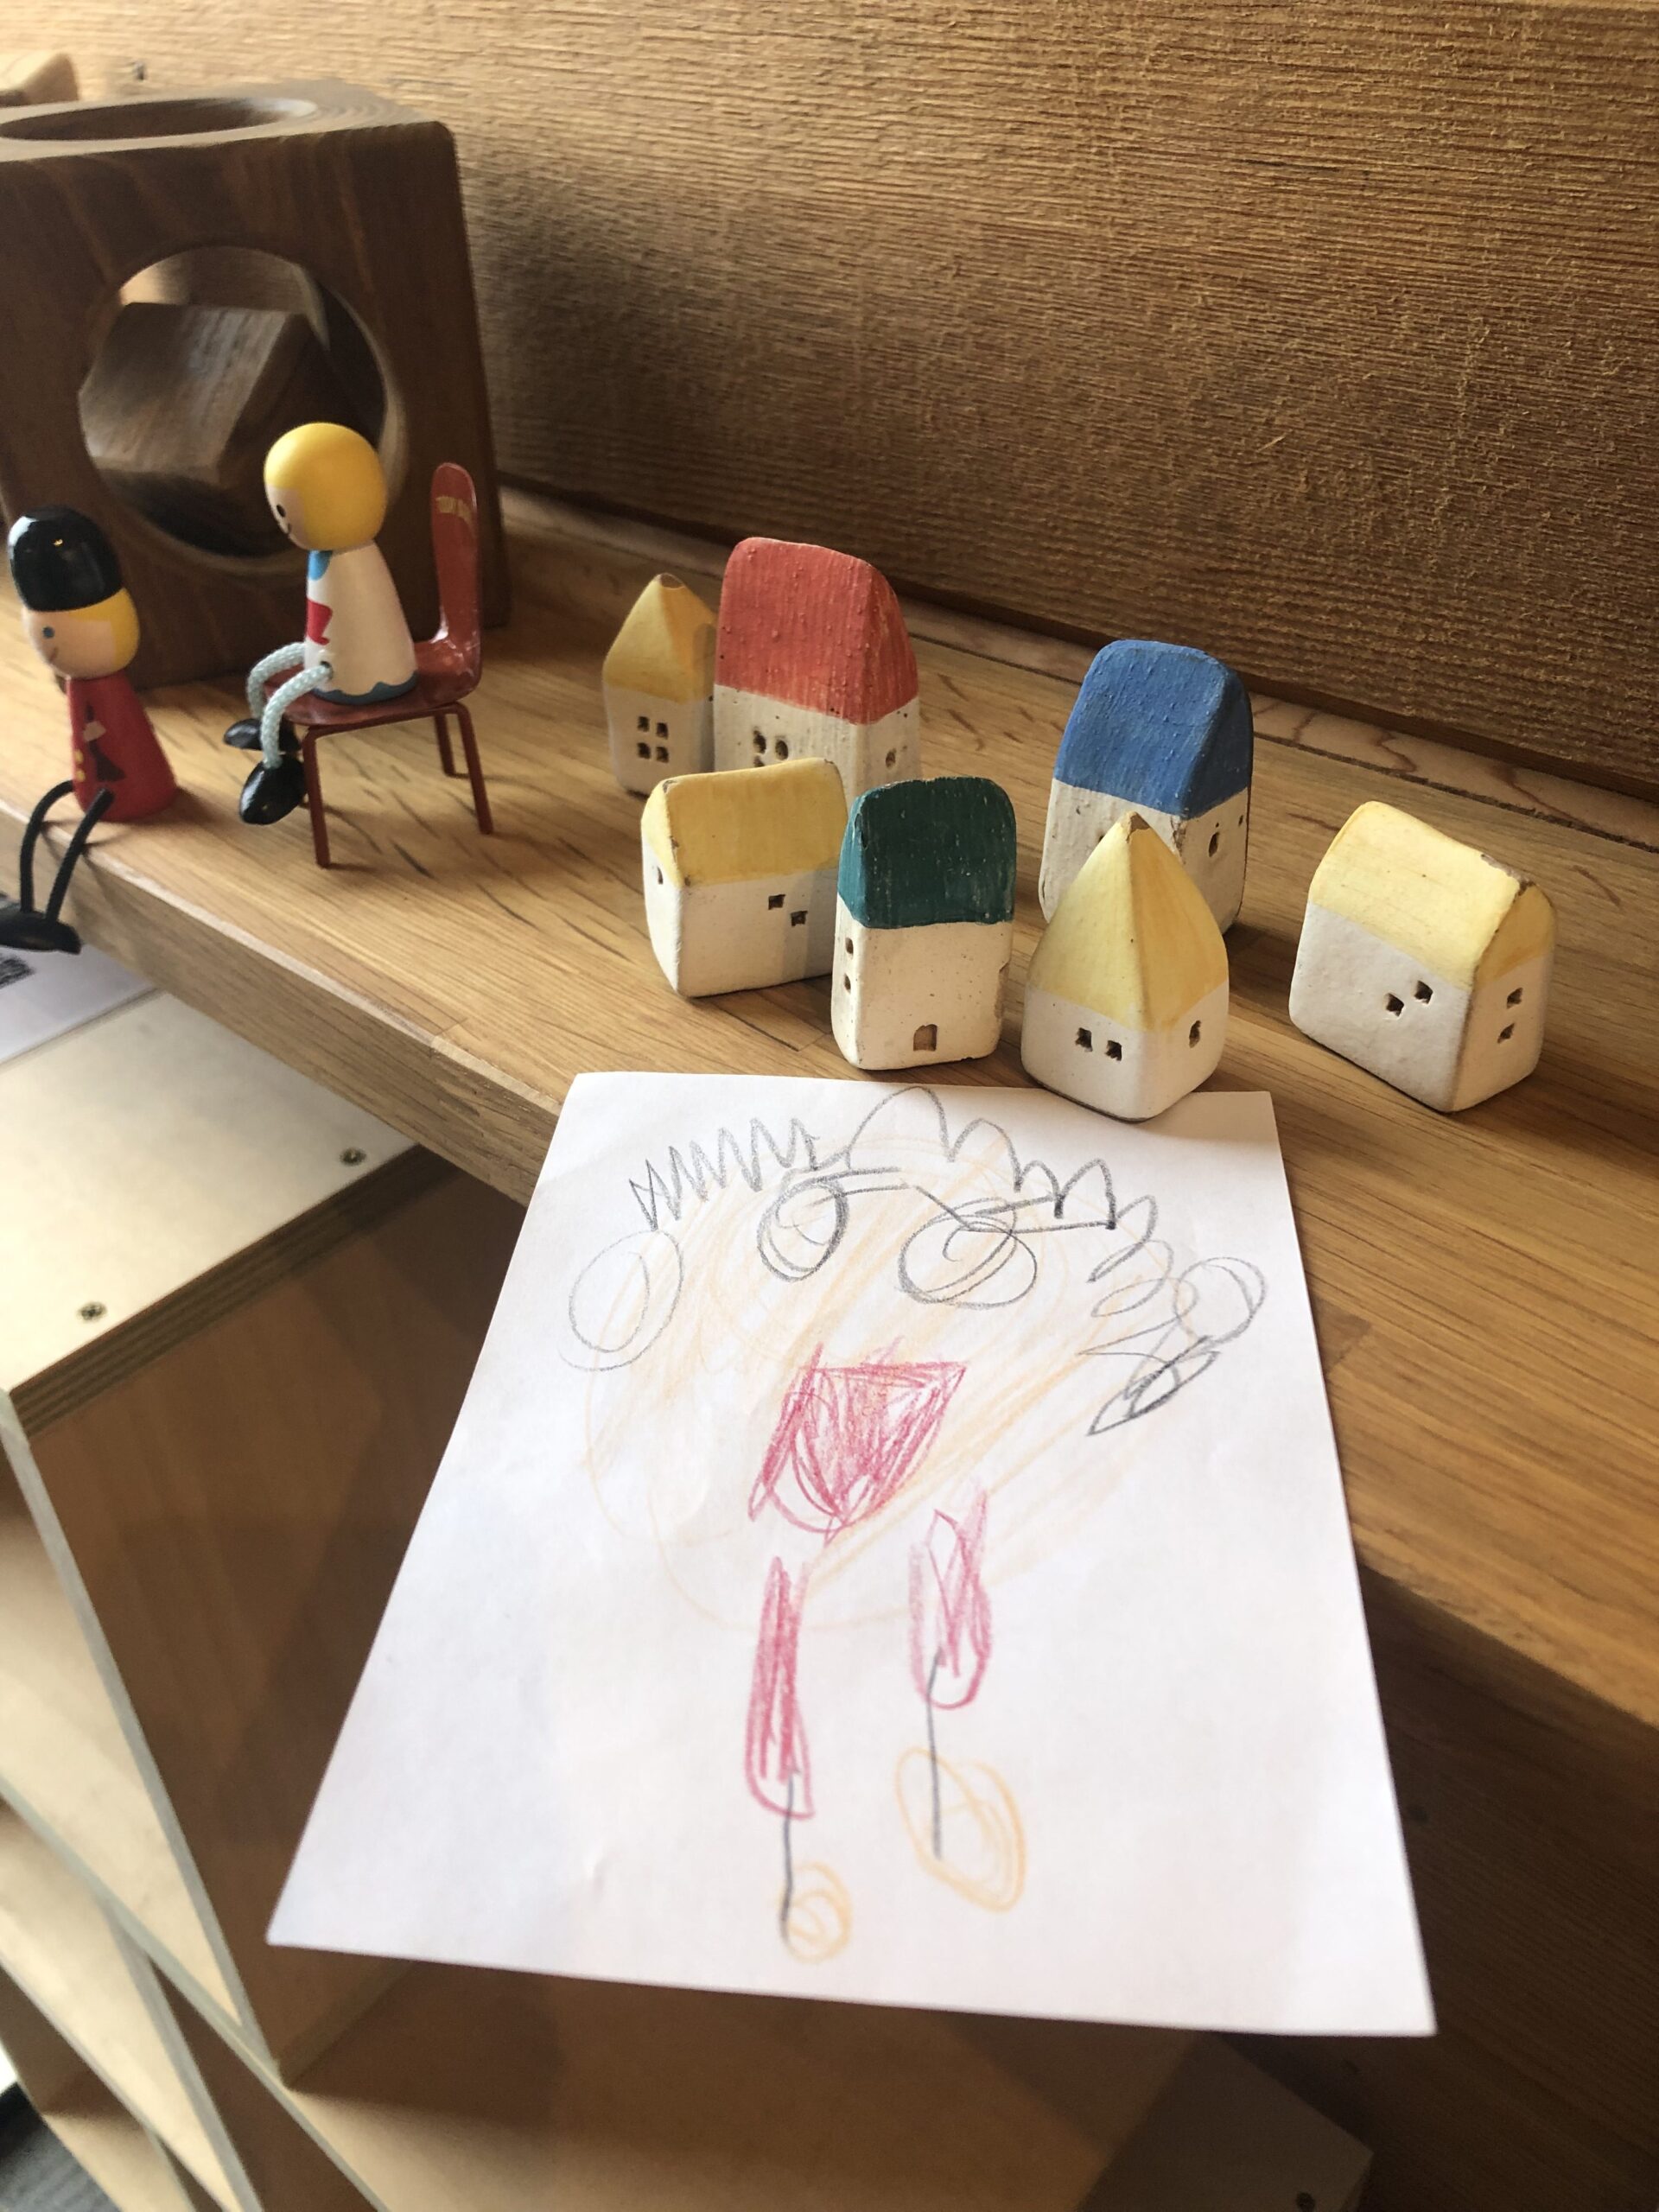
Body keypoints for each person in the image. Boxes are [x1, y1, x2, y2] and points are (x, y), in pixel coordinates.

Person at [3, 507, 175, 952]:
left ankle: (41, 918)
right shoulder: (83, 677)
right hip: (107, 788)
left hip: (124, 789)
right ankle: (36, 916)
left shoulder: (96, 669)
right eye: (43, 630)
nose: (50, 645)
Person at [226, 422, 416, 824]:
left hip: (359, 674)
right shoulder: (330, 558)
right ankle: (274, 736)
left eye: (284, 509)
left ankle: (278, 767)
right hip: (326, 660)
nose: (284, 521)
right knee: (261, 678)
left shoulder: (355, 564)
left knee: (277, 692)